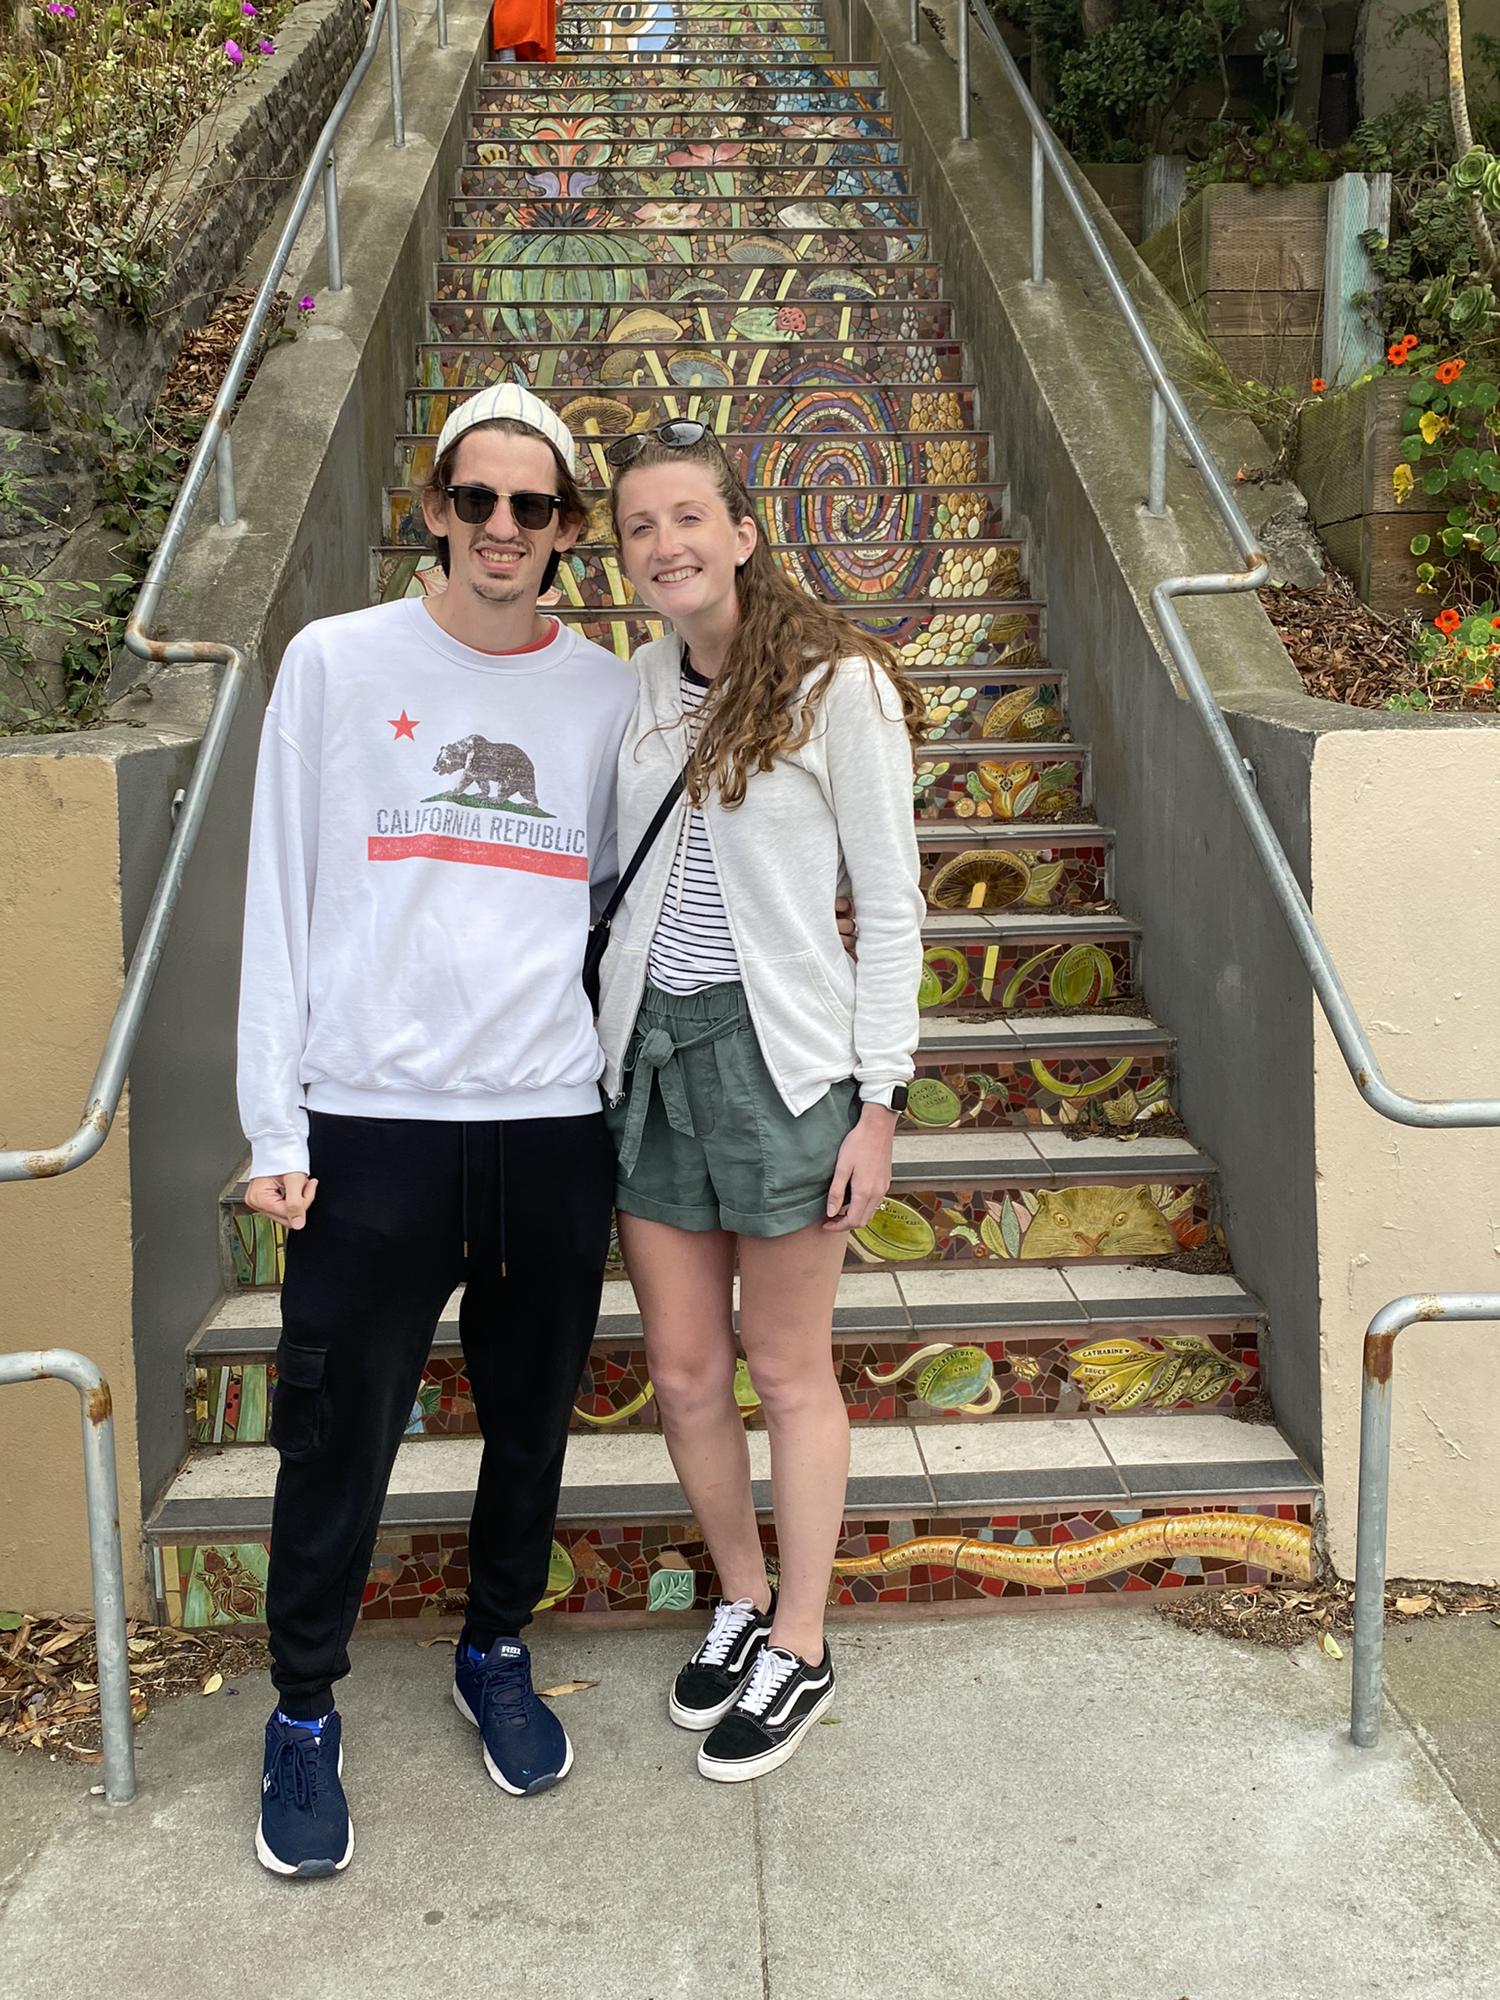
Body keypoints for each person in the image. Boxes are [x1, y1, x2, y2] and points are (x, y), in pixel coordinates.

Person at [236, 383, 636, 1876]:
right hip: (372, 1123)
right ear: (436, 509)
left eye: (534, 505)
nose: (503, 527)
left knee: (530, 1424)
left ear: (566, 528)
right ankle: (302, 1709)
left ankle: (494, 1648)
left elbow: (621, 909)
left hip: (547, 1123)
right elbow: (279, 893)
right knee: (333, 1434)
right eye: (478, 499)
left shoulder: (607, 695)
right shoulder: (336, 665)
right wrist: (273, 1121)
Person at [595, 418, 926, 1782]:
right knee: (683, 1372)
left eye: (688, 517)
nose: (664, 543)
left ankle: (801, 1637)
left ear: (741, 532)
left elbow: (892, 906)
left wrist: (879, 1101)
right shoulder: (636, 687)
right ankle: (738, 1597)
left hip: (783, 1064)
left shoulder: (839, 687)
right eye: (639, 526)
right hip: (651, 1061)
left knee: (785, 1368)